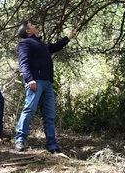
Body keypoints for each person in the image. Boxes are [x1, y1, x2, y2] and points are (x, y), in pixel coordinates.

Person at [13, 21, 77, 153]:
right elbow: (23, 63)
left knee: (49, 115)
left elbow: (54, 47)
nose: (35, 25)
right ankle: (20, 140)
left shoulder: (41, 44)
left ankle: (52, 144)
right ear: (28, 31)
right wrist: (29, 80)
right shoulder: (25, 43)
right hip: (35, 82)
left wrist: (68, 37)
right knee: (29, 109)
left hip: (47, 83)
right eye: (31, 25)